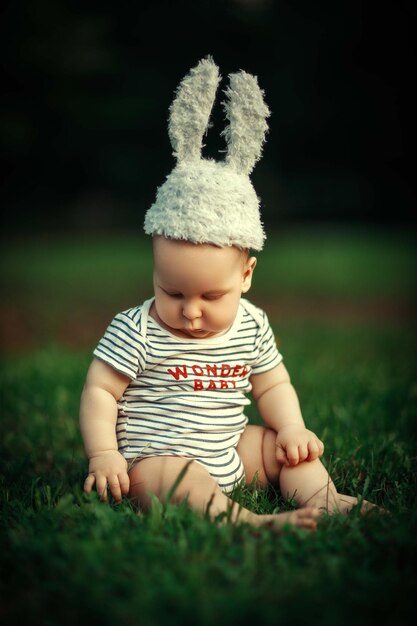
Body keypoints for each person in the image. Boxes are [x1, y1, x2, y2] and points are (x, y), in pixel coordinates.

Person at [79, 57, 374, 530]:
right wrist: (104, 454)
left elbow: (272, 384)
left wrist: (292, 427)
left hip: (228, 449)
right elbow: (99, 390)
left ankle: (325, 499)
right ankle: (246, 523)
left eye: (210, 297)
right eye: (171, 290)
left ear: (247, 275)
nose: (189, 311)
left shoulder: (252, 324)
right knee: (173, 474)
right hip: (154, 462)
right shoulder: (136, 329)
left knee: (278, 446)